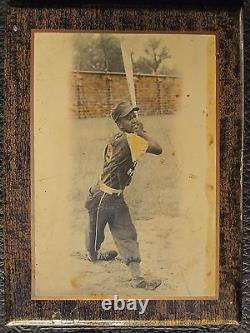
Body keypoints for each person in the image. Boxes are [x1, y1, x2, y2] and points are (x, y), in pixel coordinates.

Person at [85, 101, 162, 290]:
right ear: (119, 124)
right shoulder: (130, 140)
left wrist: (136, 131)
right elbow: (158, 149)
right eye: (128, 118)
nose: (134, 119)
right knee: (95, 234)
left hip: (112, 196)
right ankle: (93, 254)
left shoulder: (120, 136)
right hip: (102, 197)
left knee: (127, 234)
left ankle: (137, 278)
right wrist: (142, 132)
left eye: (134, 115)